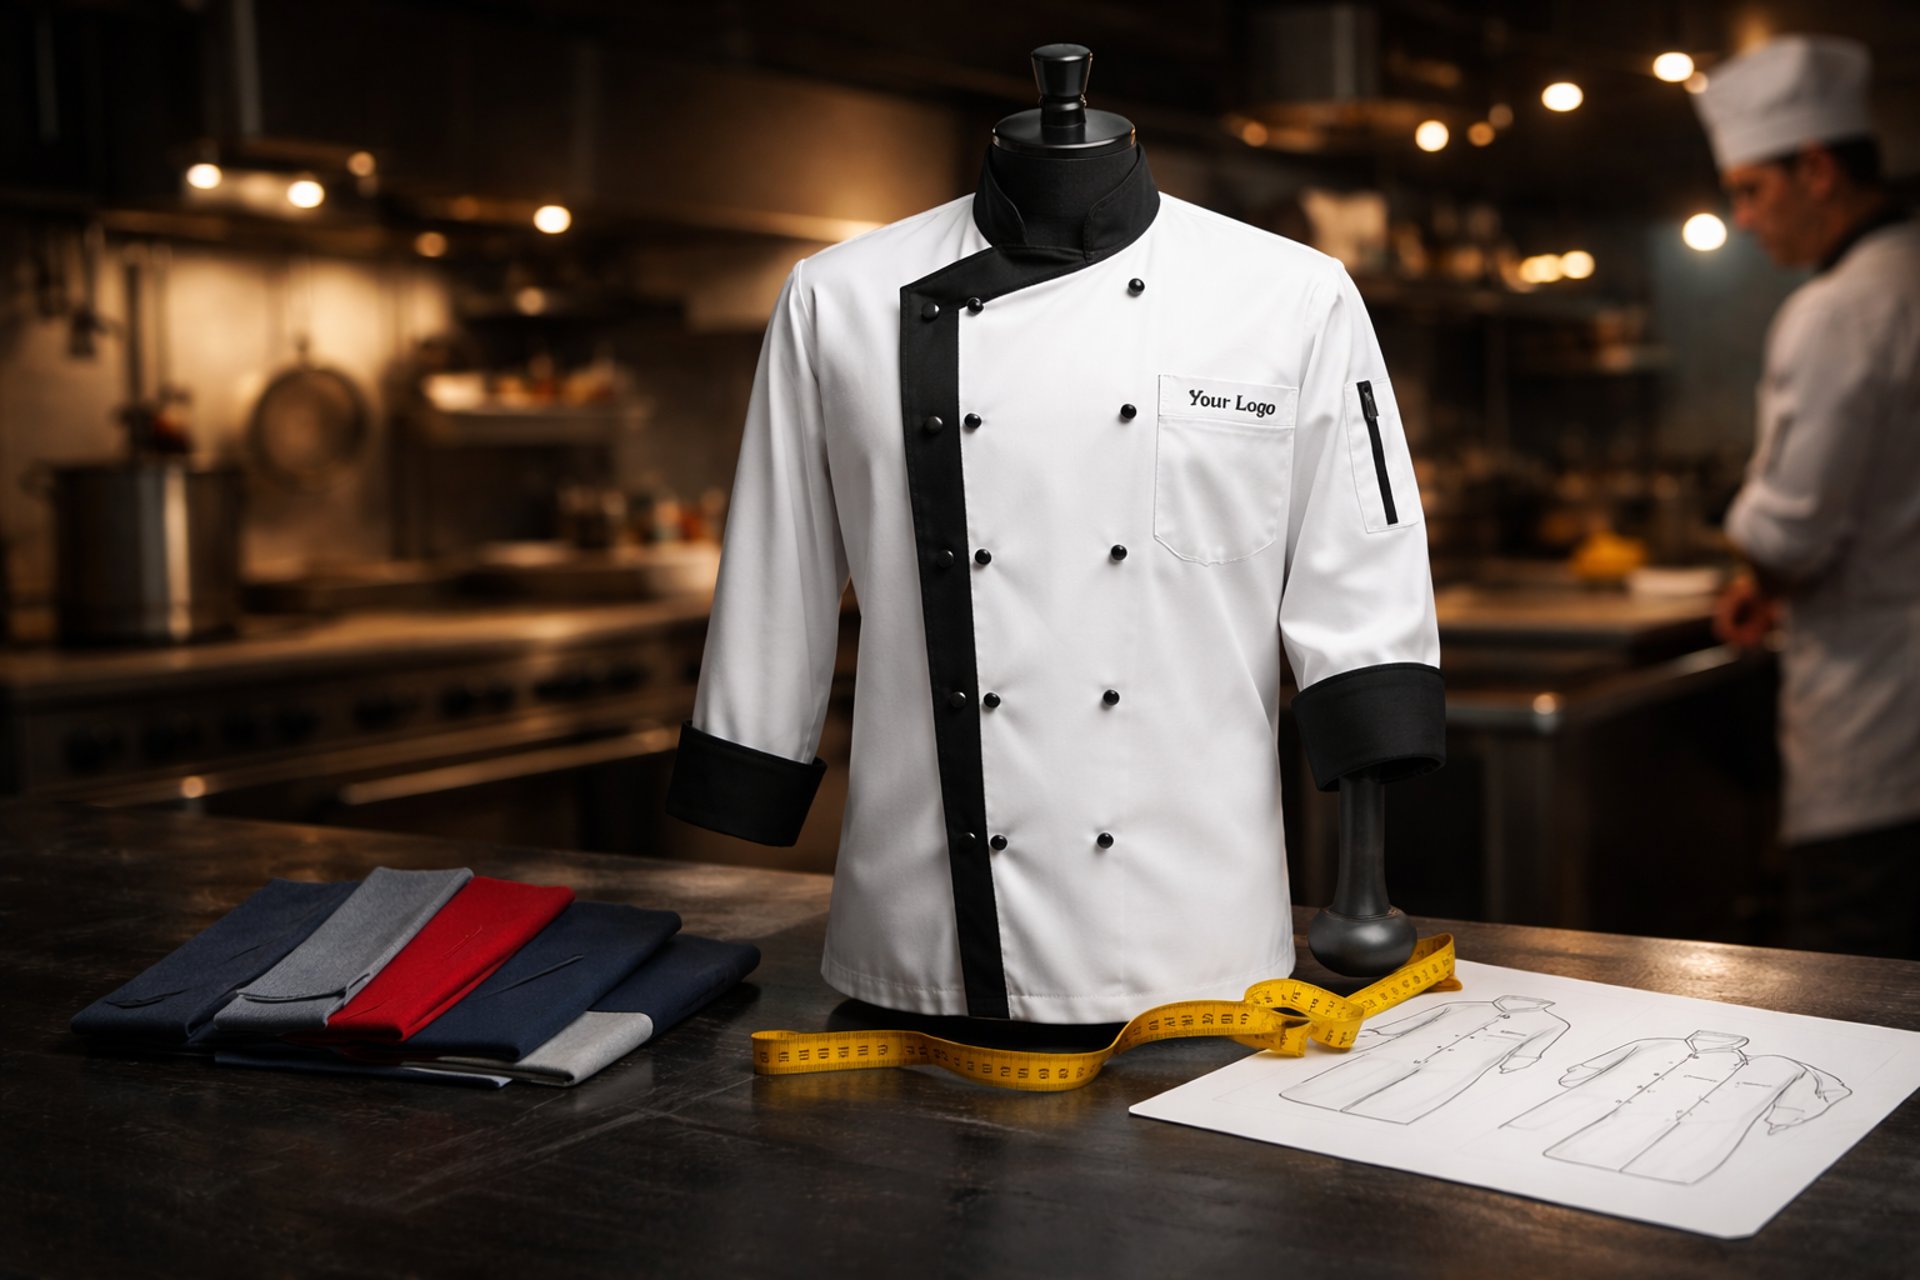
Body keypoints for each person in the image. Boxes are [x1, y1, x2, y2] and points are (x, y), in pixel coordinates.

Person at [1693, 35, 1920, 959]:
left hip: (1873, 729)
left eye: (1751, 190)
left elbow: (1790, 533)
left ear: (1816, 168)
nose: (1744, 219)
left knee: (1859, 995)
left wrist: (1756, 557)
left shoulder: (1837, 311)